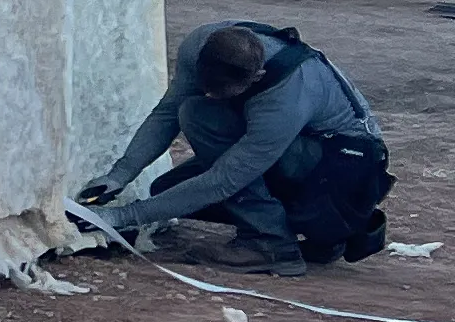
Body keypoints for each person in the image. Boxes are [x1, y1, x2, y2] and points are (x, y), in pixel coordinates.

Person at [77, 20, 393, 274]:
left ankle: (270, 242)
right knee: (171, 177)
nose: (216, 99)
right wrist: (120, 175)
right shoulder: (199, 44)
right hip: (305, 154)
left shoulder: (284, 96)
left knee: (201, 123)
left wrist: (121, 217)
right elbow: (168, 110)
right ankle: (316, 234)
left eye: (227, 94)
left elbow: (225, 180)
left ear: (258, 76)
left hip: (345, 172)